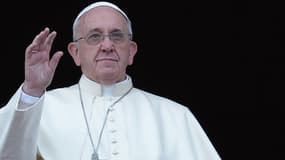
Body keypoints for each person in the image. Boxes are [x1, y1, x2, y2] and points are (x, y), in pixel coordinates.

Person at [0, 1, 221, 160]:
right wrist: (32, 90)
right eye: (95, 36)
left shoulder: (174, 116)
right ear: (75, 52)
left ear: (131, 51)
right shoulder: (39, 109)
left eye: (117, 36)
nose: (107, 45)